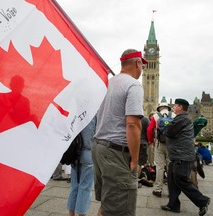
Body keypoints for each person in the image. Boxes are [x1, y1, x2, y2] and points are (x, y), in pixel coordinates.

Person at [92, 49, 146, 216]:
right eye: (142, 65)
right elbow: (132, 124)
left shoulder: (108, 83)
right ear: (137, 63)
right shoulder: (133, 85)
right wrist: (135, 160)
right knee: (120, 209)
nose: (142, 69)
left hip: (99, 148)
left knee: (108, 204)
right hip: (116, 153)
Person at [161, 98, 210, 216]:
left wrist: (165, 127)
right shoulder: (181, 118)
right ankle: (173, 204)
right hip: (177, 155)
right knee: (172, 179)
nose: (173, 107)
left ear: (180, 107)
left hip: (182, 156)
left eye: (175, 106)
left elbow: (168, 131)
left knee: (181, 179)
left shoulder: (181, 119)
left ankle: (203, 201)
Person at [67, 117, 96, 216]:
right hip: (88, 151)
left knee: (74, 186)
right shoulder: (93, 113)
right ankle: (81, 214)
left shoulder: (76, 111)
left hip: (74, 152)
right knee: (85, 187)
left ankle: (71, 213)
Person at [147, 102, 175, 197]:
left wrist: (151, 141)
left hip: (159, 144)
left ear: (159, 108)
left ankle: (158, 189)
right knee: (170, 167)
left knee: (159, 167)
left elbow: (150, 130)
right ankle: (171, 191)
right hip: (171, 144)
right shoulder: (174, 116)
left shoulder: (155, 116)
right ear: (168, 108)